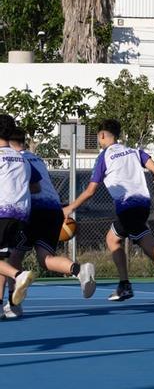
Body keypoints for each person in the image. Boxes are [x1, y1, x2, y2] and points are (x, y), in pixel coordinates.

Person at [63, 119, 154, 306]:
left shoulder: (104, 156)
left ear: (102, 135)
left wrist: (70, 207)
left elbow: (91, 190)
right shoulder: (134, 151)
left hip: (127, 207)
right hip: (142, 204)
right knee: (112, 238)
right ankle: (124, 284)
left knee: (148, 245)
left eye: (98, 138)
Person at [0, 128, 96, 318]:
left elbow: (28, 189)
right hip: (54, 210)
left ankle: (13, 304)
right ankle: (78, 269)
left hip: (32, 211)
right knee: (45, 258)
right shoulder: (35, 159)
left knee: (10, 258)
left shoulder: (12, 159)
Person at [0, 115, 36, 309]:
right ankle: (7, 304)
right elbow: (34, 186)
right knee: (2, 258)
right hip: (21, 215)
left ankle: (18, 275)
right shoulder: (23, 160)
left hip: (2, 212)